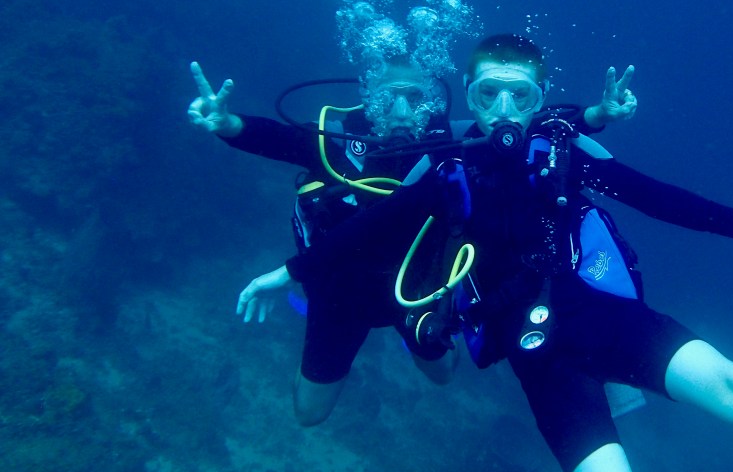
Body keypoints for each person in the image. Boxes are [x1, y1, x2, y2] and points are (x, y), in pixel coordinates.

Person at [267, 34, 733, 472]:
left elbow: (654, 195)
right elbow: (368, 231)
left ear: (539, 99)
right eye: (488, 93)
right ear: (468, 97)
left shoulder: (563, 152)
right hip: (539, 359)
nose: (503, 108)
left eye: (520, 94)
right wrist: (289, 272)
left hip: (605, 320)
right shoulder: (446, 171)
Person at [189, 54, 640, 425]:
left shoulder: (446, 142)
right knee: (310, 414)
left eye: (416, 98)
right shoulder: (337, 141)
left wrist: (597, 115)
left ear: (432, 102)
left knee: (443, 375)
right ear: (369, 96)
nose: (403, 112)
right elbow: (278, 139)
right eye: (389, 98)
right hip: (338, 295)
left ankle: (413, 339)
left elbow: (528, 126)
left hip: (417, 292)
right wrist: (227, 124)